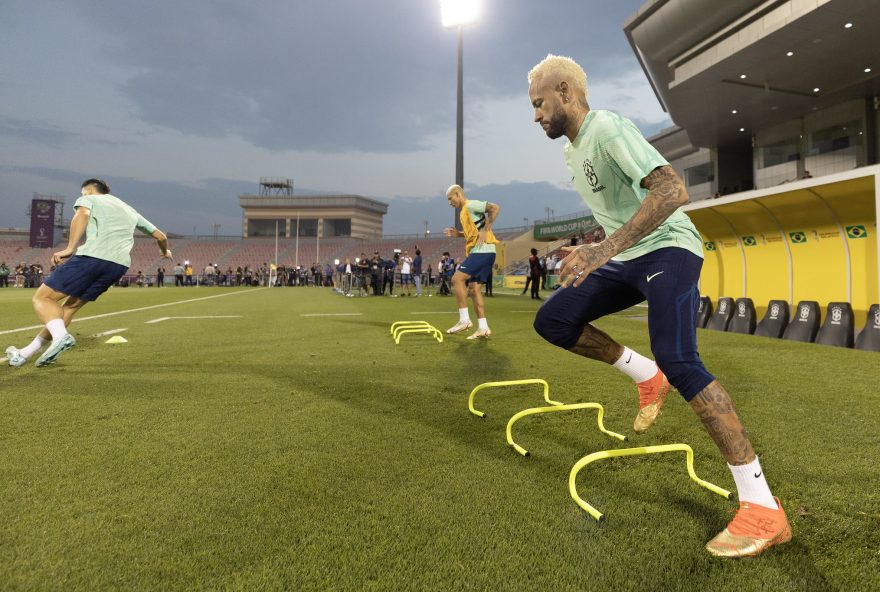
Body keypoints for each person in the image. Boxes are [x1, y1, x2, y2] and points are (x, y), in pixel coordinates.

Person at [527, 55, 790, 557]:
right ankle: (647, 376)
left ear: (564, 90)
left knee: (681, 359)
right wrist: (600, 248)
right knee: (554, 319)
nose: (536, 115)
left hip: (668, 246)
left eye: (539, 104)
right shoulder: (571, 153)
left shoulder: (606, 128)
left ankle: (763, 508)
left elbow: (672, 190)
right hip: (627, 254)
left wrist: (601, 249)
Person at [6, 179, 171, 368]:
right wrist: (165, 252)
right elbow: (161, 236)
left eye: (83, 193)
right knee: (69, 308)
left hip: (92, 258)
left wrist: (69, 248)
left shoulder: (90, 199)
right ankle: (26, 353)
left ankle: (60, 337)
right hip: (117, 266)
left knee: (43, 298)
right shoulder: (130, 210)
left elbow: (82, 214)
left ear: (89, 190)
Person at [443, 185, 500, 339]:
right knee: (474, 290)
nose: (450, 203)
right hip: (482, 251)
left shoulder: (470, 205)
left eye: (450, 198)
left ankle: (464, 320)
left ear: (457, 194)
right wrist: (458, 234)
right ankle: (483, 327)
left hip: (483, 250)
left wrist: (486, 229)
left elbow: (495, 208)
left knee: (457, 278)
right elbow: (473, 233)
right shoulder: (464, 212)